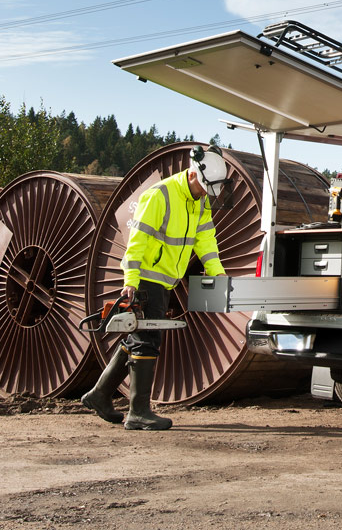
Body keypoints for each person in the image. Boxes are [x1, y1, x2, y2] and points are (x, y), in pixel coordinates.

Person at [83, 144, 232, 430]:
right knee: (146, 340)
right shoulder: (159, 196)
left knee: (136, 339)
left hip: (165, 280)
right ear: (192, 174)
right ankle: (138, 412)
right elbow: (136, 241)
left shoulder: (199, 201)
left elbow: (206, 241)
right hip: (148, 278)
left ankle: (100, 394)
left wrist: (218, 274)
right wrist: (131, 282)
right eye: (203, 187)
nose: (205, 193)